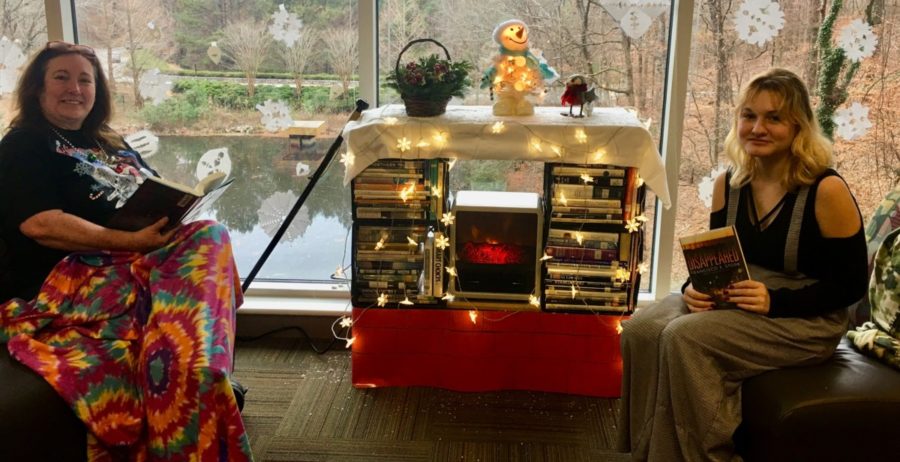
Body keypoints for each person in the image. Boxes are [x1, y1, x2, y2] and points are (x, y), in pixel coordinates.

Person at [0, 41, 252, 460]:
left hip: (134, 259)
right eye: (61, 77)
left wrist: (177, 210)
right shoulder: (24, 146)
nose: (75, 88)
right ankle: (192, 377)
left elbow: (151, 188)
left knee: (207, 234)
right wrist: (131, 242)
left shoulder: (108, 140)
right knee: (209, 241)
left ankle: (190, 372)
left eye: (86, 79)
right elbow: (41, 224)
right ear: (37, 89)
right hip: (69, 281)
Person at [617, 68, 868, 461]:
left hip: (807, 315)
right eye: (749, 115)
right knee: (642, 331)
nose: (757, 127)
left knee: (685, 337)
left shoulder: (826, 189)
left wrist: (776, 301)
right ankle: (648, 452)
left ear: (798, 126)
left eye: (774, 118)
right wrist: (692, 290)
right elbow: (717, 258)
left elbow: (852, 286)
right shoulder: (728, 184)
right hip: (744, 295)